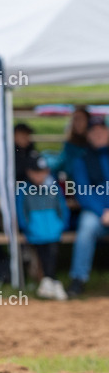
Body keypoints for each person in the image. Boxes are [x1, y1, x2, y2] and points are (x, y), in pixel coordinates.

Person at [16, 153, 69, 301]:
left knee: (51, 252)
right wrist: (26, 227)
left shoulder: (54, 187)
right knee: (44, 253)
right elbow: (21, 211)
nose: (39, 175)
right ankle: (52, 281)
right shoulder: (24, 189)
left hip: (54, 229)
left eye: (42, 171)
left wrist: (62, 225)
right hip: (35, 230)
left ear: (47, 171)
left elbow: (62, 208)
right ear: (29, 172)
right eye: (36, 172)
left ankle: (48, 281)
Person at [67, 118, 109, 298]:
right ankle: (78, 279)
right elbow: (83, 193)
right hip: (96, 213)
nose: (98, 134)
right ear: (88, 135)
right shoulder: (82, 161)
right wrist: (103, 212)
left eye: (102, 130)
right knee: (86, 228)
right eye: (94, 131)